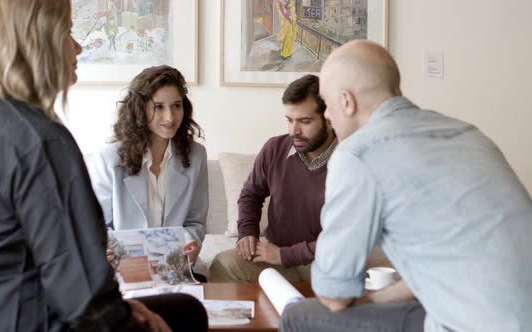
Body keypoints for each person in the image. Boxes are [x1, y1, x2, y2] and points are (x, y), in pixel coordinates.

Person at [0, 1, 207, 331]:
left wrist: (122, 304)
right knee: (187, 314)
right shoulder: (40, 141)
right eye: (67, 31)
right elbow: (87, 300)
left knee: (179, 307)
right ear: (37, 41)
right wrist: (122, 315)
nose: (78, 46)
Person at [281, 40, 532, 332]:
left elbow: (334, 296)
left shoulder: (358, 154)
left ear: (347, 101)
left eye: (328, 104)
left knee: (298, 315)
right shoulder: (466, 133)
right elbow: (449, 262)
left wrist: (359, 301)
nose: (328, 116)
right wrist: (375, 301)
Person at [210, 75, 334, 283]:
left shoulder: (352, 161)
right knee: (223, 264)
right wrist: (247, 232)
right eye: (289, 120)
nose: (294, 131)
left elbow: (346, 240)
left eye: (305, 121)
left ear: (330, 120)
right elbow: (251, 194)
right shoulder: (275, 148)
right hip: (275, 259)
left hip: (327, 264)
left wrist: (284, 255)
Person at [88, 65, 208, 276]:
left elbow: (195, 221)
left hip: (174, 267)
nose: (170, 117)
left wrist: (191, 243)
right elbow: (97, 225)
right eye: (159, 107)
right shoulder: (109, 158)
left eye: (176, 105)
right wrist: (103, 248)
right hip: (123, 268)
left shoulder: (196, 155)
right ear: (140, 108)